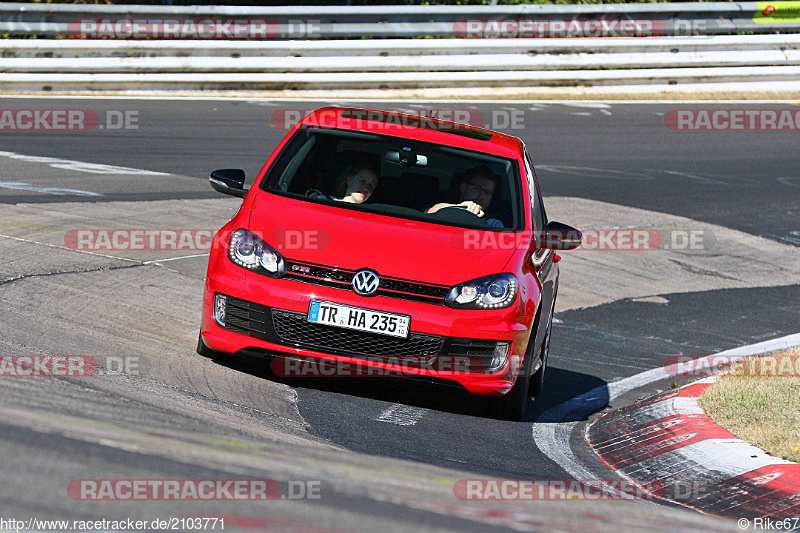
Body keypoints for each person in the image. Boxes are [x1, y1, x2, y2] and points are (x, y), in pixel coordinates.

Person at [426, 165, 504, 228]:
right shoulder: (440, 207)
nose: (481, 196)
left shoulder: (493, 224)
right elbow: (429, 212)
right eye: (477, 189)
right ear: (463, 187)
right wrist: (460, 207)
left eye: (487, 192)